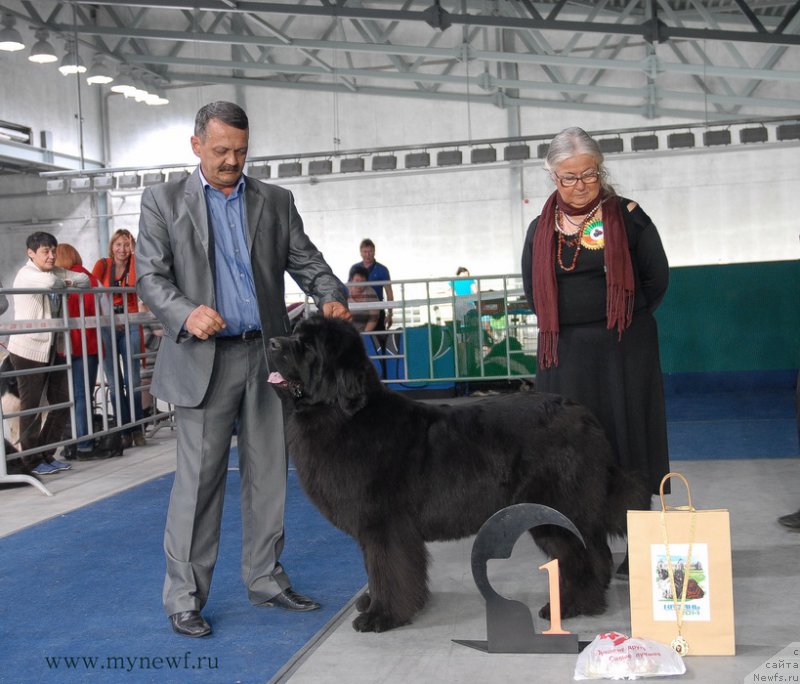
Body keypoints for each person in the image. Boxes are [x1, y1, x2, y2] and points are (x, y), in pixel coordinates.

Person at [136, 100, 351, 638]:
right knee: (199, 485)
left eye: (241, 150)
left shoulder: (275, 201)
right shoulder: (161, 201)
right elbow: (150, 277)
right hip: (201, 361)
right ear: (195, 145)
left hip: (269, 361)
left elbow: (307, 262)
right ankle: (184, 597)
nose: (232, 160)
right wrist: (186, 312)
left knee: (270, 477)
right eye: (221, 150)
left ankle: (265, 578)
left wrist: (331, 295)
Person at [521, 126, 670, 572]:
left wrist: (619, 320)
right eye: (569, 178)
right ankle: (588, 549)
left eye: (588, 175)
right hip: (564, 356)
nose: (580, 185)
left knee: (630, 440)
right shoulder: (540, 228)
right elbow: (533, 291)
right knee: (573, 450)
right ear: (552, 177)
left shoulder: (629, 217)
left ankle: (641, 545)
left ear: (599, 170)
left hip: (624, 349)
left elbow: (655, 279)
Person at [7, 232, 89, 475]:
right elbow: (50, 284)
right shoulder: (27, 274)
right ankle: (30, 461)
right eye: (45, 251)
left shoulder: (53, 272)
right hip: (27, 349)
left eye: (53, 251)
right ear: (31, 254)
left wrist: (65, 281)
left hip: (54, 347)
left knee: (62, 401)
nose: (52, 255)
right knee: (31, 406)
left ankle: (46, 453)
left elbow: (84, 280)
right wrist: (64, 281)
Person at [92, 229, 145, 448]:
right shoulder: (102, 265)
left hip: (131, 320)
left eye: (127, 245)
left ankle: (137, 428)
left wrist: (134, 255)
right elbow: (95, 290)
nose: (122, 249)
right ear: (111, 246)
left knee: (132, 379)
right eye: (118, 245)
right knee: (114, 382)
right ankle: (124, 429)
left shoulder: (135, 263)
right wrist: (112, 316)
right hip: (107, 323)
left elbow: (134, 283)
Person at [54, 243, 108, 461]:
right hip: (91, 344)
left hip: (66, 346)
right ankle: (84, 442)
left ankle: (76, 442)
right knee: (83, 394)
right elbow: (104, 311)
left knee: (71, 397)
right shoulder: (92, 280)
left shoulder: (59, 284)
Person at [350, 238, 393, 376]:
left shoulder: (382, 269)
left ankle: (384, 375)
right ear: (360, 252)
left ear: (374, 252)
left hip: (376, 310)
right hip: (357, 312)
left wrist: (390, 313)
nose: (368, 254)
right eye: (365, 251)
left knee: (379, 342)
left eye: (370, 251)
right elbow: (349, 289)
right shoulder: (355, 269)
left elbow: (389, 291)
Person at [347, 265, 380, 333]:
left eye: (362, 281)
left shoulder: (371, 293)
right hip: (345, 330)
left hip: (364, 330)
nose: (359, 285)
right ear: (351, 280)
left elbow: (373, 318)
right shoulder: (343, 290)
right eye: (357, 280)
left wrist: (365, 334)